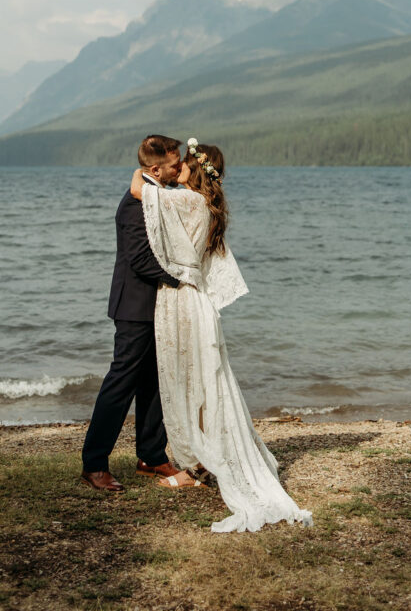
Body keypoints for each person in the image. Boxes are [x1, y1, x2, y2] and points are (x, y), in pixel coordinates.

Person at [131, 138, 313, 533]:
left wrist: (148, 163)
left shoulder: (189, 202)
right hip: (193, 301)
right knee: (197, 382)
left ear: (196, 169)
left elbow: (138, 187)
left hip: (181, 301)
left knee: (186, 384)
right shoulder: (208, 207)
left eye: (183, 162)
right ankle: (197, 463)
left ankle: (195, 467)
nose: (176, 166)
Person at [80, 135, 185, 492]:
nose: (179, 169)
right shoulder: (134, 205)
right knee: (120, 384)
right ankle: (94, 464)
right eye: (174, 164)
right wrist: (181, 280)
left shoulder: (153, 193)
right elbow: (140, 260)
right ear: (155, 168)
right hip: (135, 308)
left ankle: (151, 456)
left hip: (156, 305)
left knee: (155, 382)